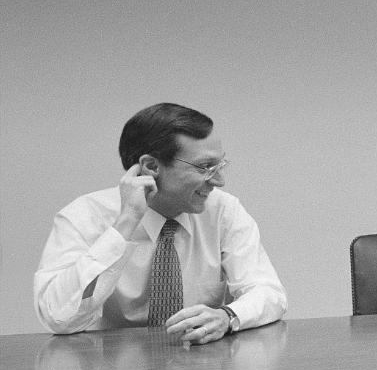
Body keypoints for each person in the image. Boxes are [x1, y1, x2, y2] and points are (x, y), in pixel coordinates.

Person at [34, 103, 287, 344]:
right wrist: (125, 223)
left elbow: (269, 293)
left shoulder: (223, 210)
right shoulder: (84, 216)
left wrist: (227, 316)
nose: (219, 180)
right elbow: (58, 318)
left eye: (219, 164)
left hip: (198, 369)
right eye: (205, 167)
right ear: (152, 166)